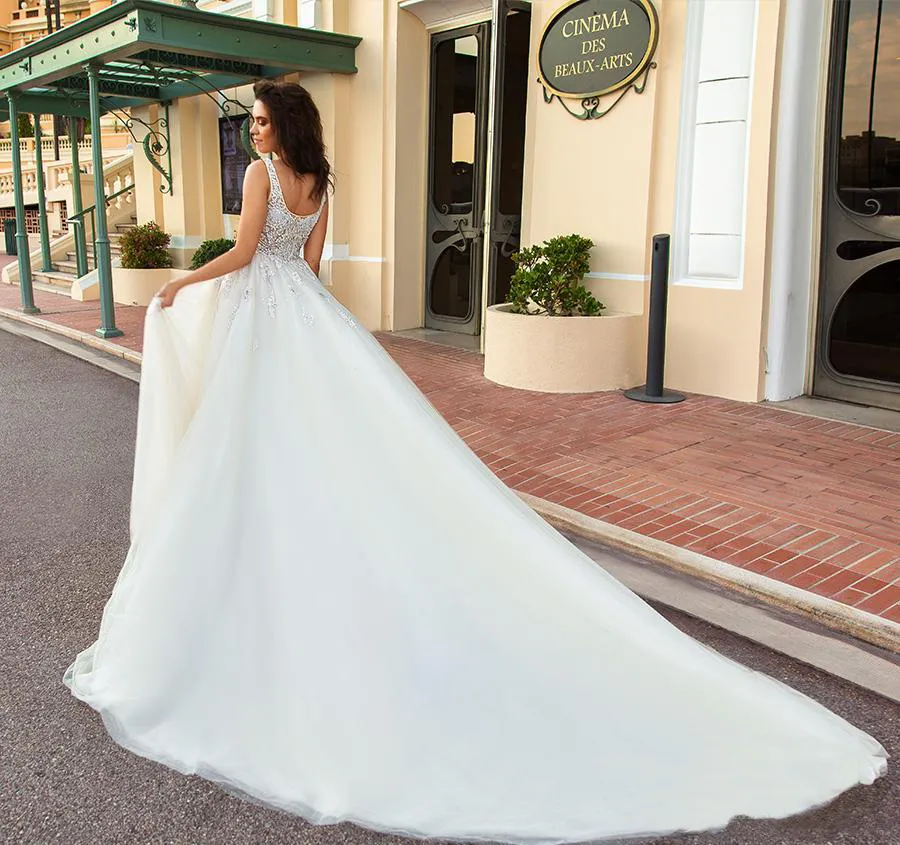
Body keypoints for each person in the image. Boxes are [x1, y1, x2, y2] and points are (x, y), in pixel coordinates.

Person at [64, 80, 887, 844]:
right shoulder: (320, 181)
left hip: (262, 319)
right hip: (310, 319)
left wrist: (181, 282)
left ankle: (263, 578)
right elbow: (311, 269)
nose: (254, 127)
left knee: (247, 454)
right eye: (253, 120)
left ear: (283, 123)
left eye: (262, 118)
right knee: (327, 447)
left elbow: (246, 256)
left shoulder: (260, 176)